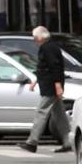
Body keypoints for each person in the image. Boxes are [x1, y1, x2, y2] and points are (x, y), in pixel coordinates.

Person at [21, 26, 73, 154]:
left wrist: (57, 85)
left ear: (40, 37)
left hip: (50, 87)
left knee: (41, 112)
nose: (34, 40)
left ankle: (32, 142)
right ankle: (68, 142)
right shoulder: (50, 46)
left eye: (35, 38)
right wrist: (35, 81)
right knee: (60, 115)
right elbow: (45, 67)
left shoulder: (47, 47)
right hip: (50, 85)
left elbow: (54, 67)